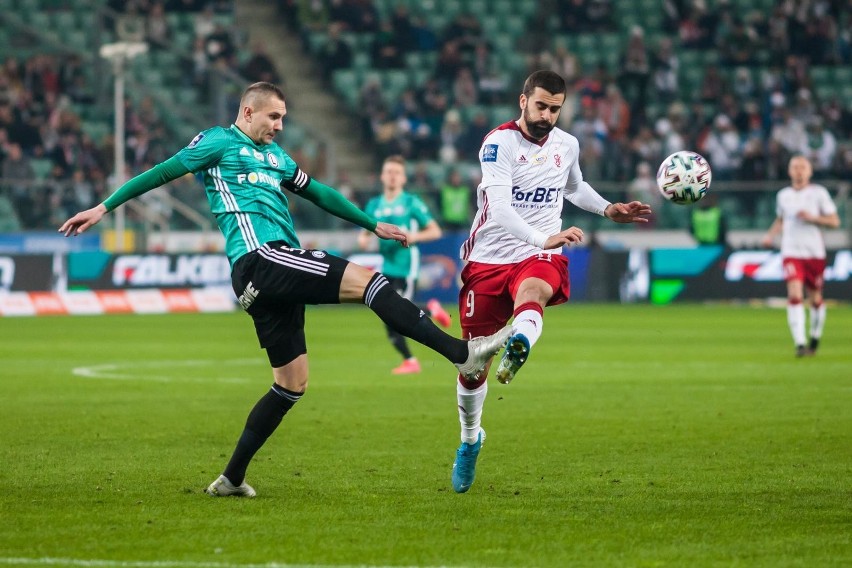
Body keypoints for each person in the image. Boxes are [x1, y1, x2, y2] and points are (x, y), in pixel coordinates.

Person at [59, 82, 512, 498]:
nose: (279, 126)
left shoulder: (277, 159)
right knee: (370, 282)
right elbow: (161, 173)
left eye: (283, 119)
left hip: (267, 278)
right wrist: (103, 207)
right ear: (248, 111)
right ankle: (461, 353)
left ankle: (231, 478)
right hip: (261, 257)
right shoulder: (217, 142)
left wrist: (372, 224)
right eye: (273, 117)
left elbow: (320, 194)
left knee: (291, 384)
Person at [450, 70, 652, 493]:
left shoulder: (567, 144)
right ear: (522, 101)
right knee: (471, 367)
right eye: (540, 105)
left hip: (539, 253)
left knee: (534, 291)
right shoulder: (498, 143)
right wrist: (544, 236)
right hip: (488, 259)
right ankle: (470, 439)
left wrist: (608, 209)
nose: (547, 115)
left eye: (555, 108)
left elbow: (574, 188)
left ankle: (520, 341)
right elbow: (501, 209)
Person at [357, 155, 453, 375]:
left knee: (395, 311)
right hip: (387, 266)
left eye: (396, 173)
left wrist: (413, 236)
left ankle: (411, 358)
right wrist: (364, 239)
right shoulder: (374, 205)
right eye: (388, 172)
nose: (392, 176)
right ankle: (428, 313)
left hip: (407, 265)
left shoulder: (411, 202)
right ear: (382, 176)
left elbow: (435, 230)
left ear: (403, 178)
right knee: (389, 312)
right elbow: (364, 233)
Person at [760, 155, 840, 358]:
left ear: (809, 172)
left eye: (803, 167)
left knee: (815, 297)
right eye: (795, 167)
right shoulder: (783, 195)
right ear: (789, 171)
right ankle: (800, 343)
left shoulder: (818, 193)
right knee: (795, 294)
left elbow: (834, 221)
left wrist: (813, 218)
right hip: (791, 251)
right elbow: (781, 219)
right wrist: (770, 236)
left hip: (814, 252)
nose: (799, 171)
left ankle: (814, 336)